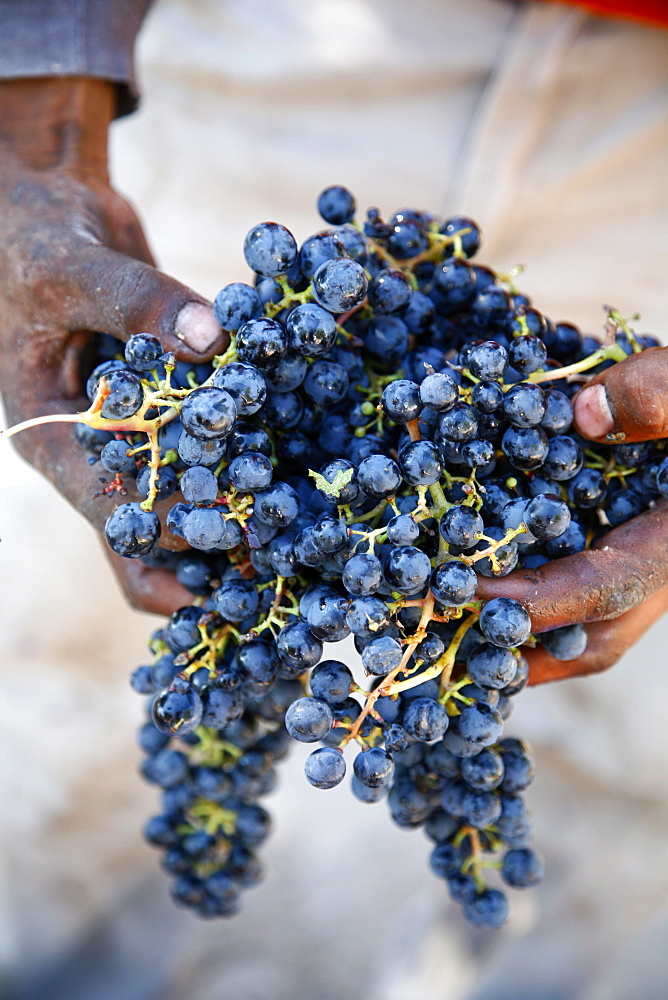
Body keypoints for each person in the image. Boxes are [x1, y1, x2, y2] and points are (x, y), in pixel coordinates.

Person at [0, 2, 667, 998]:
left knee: (615, 776)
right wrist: (34, 100)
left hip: (644, 157)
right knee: (76, 675)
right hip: (287, 47)